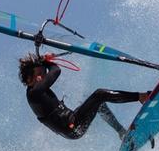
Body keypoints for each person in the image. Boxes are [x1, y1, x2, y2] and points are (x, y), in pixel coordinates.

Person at [19, 53, 150, 140]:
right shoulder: (34, 94)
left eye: (43, 73)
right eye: (38, 75)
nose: (42, 77)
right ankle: (141, 97)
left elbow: (52, 71)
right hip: (72, 126)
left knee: (98, 103)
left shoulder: (36, 90)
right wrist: (46, 62)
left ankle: (121, 132)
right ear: (28, 79)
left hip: (72, 123)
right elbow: (56, 70)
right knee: (100, 94)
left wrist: (44, 62)